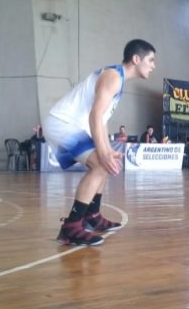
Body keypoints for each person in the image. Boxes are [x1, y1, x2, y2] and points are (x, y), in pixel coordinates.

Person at [44, 39, 156, 246]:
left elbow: (102, 121)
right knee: (100, 164)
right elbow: (94, 116)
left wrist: (107, 150)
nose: (153, 65)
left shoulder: (117, 79)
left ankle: (92, 216)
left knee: (104, 163)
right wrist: (103, 154)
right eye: (150, 60)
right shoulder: (113, 77)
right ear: (136, 59)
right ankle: (72, 227)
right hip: (62, 123)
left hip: (68, 125)